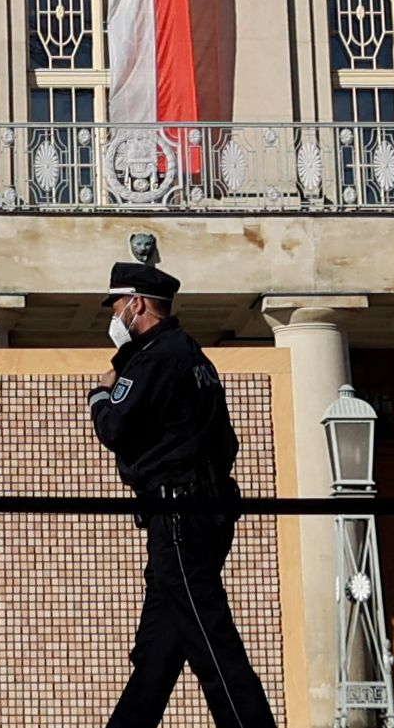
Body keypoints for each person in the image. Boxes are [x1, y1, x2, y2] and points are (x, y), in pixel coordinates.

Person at [87, 260, 275, 728]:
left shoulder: (157, 358)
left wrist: (99, 395)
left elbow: (114, 427)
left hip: (178, 514)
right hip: (201, 509)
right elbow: (226, 442)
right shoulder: (191, 355)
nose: (112, 314)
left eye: (116, 304)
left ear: (137, 304)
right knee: (158, 650)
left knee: (210, 638)